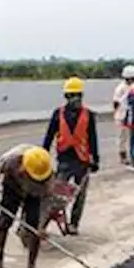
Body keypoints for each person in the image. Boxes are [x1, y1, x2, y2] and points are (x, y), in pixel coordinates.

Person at [0, 144, 55, 268]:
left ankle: (31, 266)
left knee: (33, 228)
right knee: (4, 222)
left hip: (34, 194)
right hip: (12, 186)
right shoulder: (10, 159)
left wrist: (41, 225)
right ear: (23, 168)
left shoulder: (46, 173)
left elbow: (47, 201)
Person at [41, 77, 99, 236]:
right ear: (66, 97)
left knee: (80, 195)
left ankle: (74, 224)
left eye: (77, 95)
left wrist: (96, 159)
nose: (75, 98)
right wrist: (43, 156)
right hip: (65, 160)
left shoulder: (89, 115)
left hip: (83, 160)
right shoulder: (58, 114)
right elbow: (49, 136)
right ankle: (43, 224)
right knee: (57, 195)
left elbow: (92, 138)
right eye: (72, 95)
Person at [112, 65, 134, 164]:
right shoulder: (121, 88)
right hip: (122, 115)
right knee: (122, 137)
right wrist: (118, 114)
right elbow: (116, 102)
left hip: (131, 114)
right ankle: (123, 156)